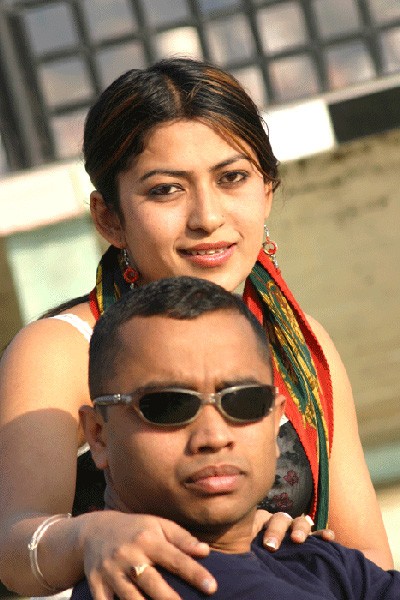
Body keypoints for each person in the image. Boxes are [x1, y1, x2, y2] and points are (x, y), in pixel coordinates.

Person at [0, 57, 392, 600]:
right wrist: (92, 535)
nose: (207, 216)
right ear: (109, 217)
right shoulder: (64, 350)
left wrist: (300, 546)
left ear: (267, 191)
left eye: (232, 178)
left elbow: (369, 557)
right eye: (166, 190)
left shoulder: (301, 347)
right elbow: (11, 549)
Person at [75, 276, 400, 600]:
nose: (215, 437)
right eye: (169, 406)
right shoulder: (141, 587)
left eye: (244, 401)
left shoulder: (319, 561)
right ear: (99, 436)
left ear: (274, 422)